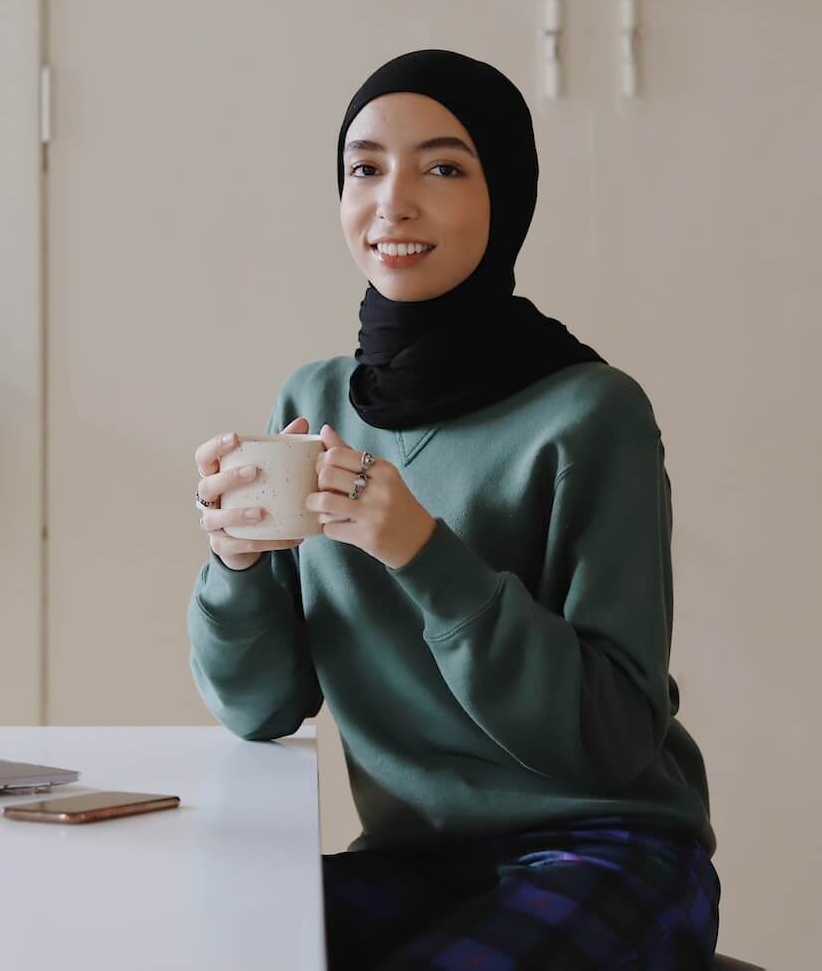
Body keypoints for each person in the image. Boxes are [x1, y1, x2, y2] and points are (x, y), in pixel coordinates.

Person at [187, 49, 719, 969]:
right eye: (365, 167)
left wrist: (426, 555)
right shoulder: (314, 400)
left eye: (442, 167)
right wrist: (234, 564)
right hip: (418, 861)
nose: (392, 203)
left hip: (609, 850)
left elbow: (611, 735)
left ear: (505, 194)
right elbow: (262, 709)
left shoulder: (593, 414)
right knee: (192, 940)